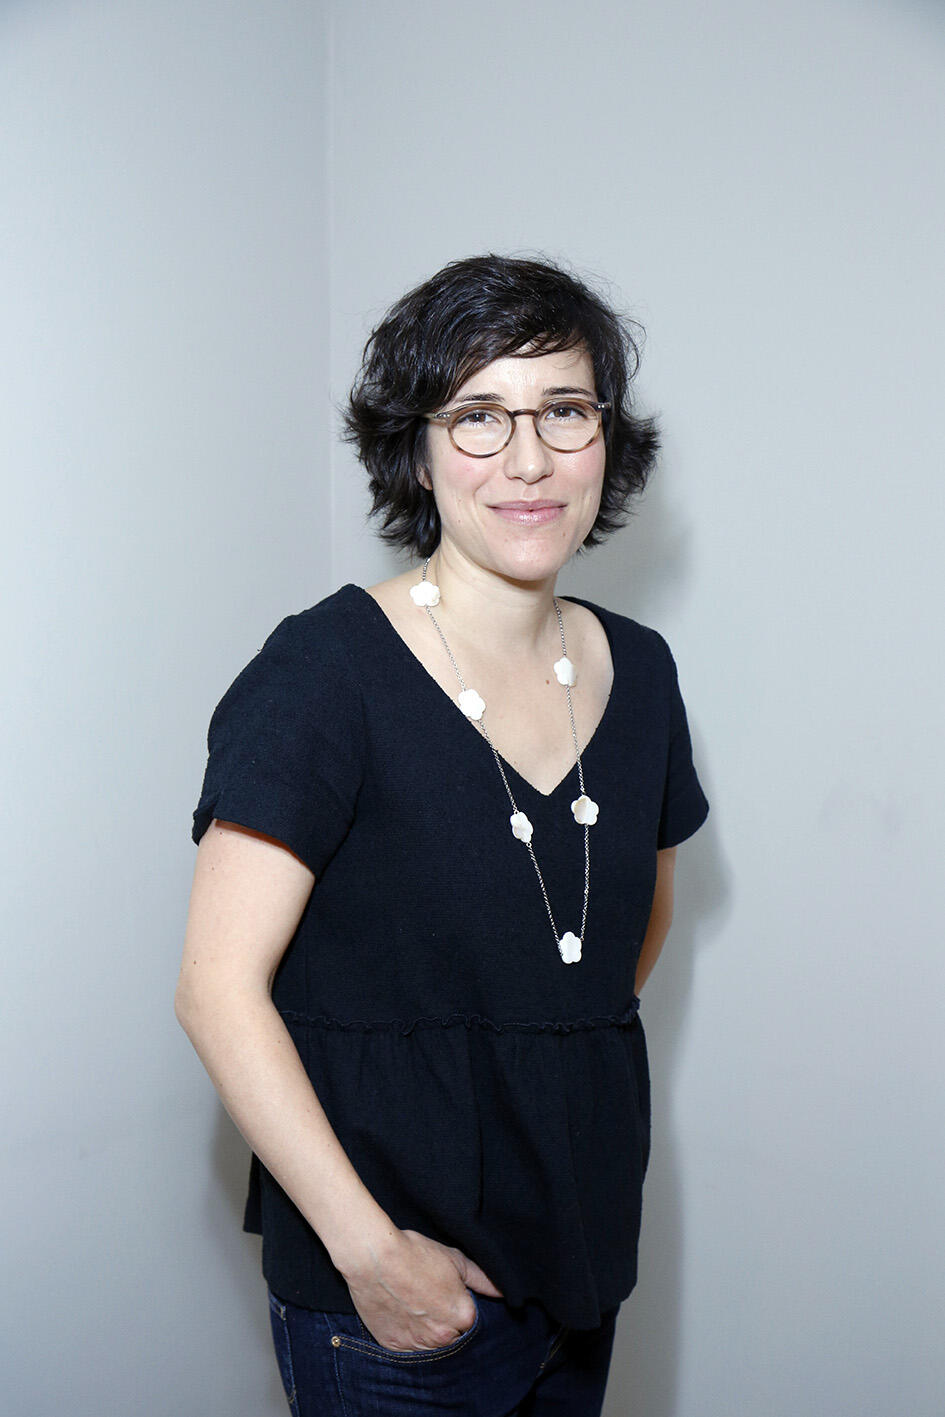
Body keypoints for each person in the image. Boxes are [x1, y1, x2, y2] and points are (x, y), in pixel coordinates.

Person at [176, 253, 709, 1416]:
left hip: (583, 1254)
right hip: (396, 1300)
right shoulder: (324, 671)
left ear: (607, 437)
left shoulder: (645, 671)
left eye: (564, 410)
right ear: (416, 450)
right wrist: (374, 1255)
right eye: (478, 415)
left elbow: (624, 937)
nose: (528, 459)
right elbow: (216, 990)